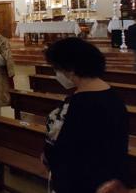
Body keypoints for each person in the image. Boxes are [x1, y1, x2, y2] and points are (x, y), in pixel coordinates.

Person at [43, 38, 129, 193]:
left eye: (56, 68)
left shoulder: (70, 107)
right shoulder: (115, 98)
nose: (56, 73)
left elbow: (56, 153)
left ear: (70, 69)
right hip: (108, 181)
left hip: (77, 183)